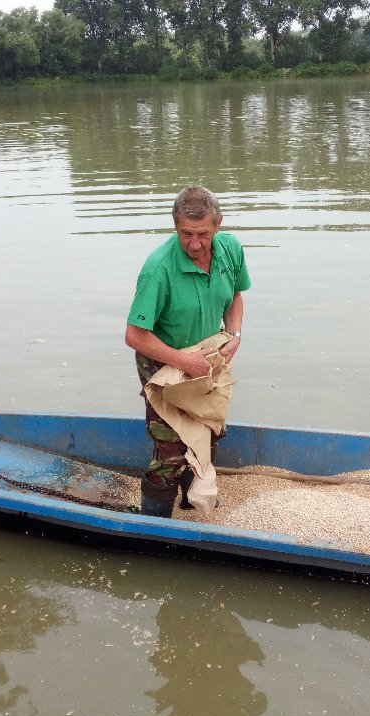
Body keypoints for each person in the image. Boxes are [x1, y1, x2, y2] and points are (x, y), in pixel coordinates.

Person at [125, 186, 251, 517]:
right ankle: (155, 525)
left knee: (209, 429)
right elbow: (135, 336)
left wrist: (234, 335)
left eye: (203, 234)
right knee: (170, 450)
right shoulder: (158, 269)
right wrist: (185, 362)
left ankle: (191, 499)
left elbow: (236, 296)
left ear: (218, 224)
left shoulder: (231, 250)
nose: (194, 243)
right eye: (186, 234)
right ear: (175, 226)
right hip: (164, 360)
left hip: (210, 354)